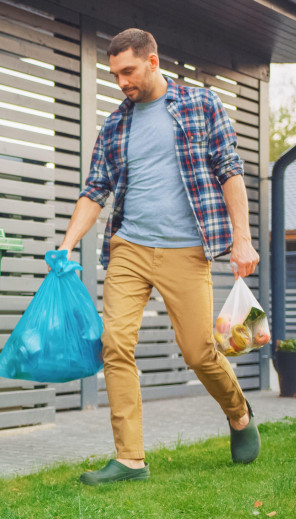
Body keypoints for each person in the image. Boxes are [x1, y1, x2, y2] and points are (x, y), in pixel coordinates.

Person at [59, 28, 261, 485]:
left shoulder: (201, 104)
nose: (121, 82)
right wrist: (67, 242)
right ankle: (130, 459)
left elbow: (229, 171)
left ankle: (239, 413)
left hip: (187, 248)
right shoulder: (115, 123)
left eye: (128, 71)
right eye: (114, 74)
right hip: (129, 247)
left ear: (153, 61)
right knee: (115, 345)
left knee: (198, 351)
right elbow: (95, 191)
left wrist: (242, 239)